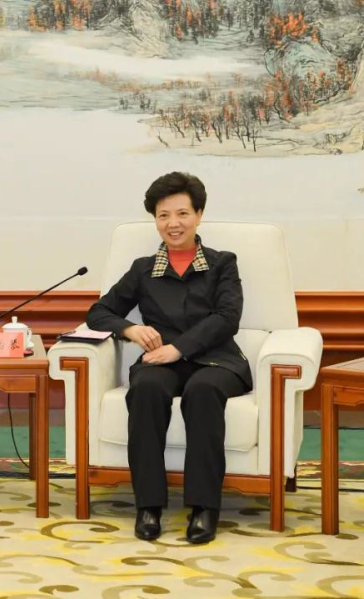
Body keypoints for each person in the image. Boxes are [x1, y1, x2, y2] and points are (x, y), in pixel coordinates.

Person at [87, 172, 251, 544]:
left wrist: (179, 348)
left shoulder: (223, 263)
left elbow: (228, 318)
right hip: (160, 363)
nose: (173, 223)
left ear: (199, 215)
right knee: (145, 389)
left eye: (182, 213)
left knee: (203, 391)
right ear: (155, 220)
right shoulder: (143, 269)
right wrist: (130, 329)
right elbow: (98, 312)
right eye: (163, 215)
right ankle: (148, 506)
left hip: (216, 360)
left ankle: (204, 508)